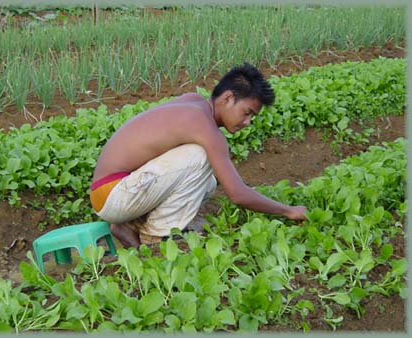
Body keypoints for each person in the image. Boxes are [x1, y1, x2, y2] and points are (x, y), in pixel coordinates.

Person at [90, 63, 307, 248]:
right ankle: (156, 238)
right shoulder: (203, 125)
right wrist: (288, 211)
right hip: (113, 194)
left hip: (111, 191)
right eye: (247, 112)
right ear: (228, 98)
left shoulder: (193, 101)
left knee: (208, 183)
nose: (247, 122)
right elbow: (237, 194)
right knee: (200, 157)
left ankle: (129, 226)